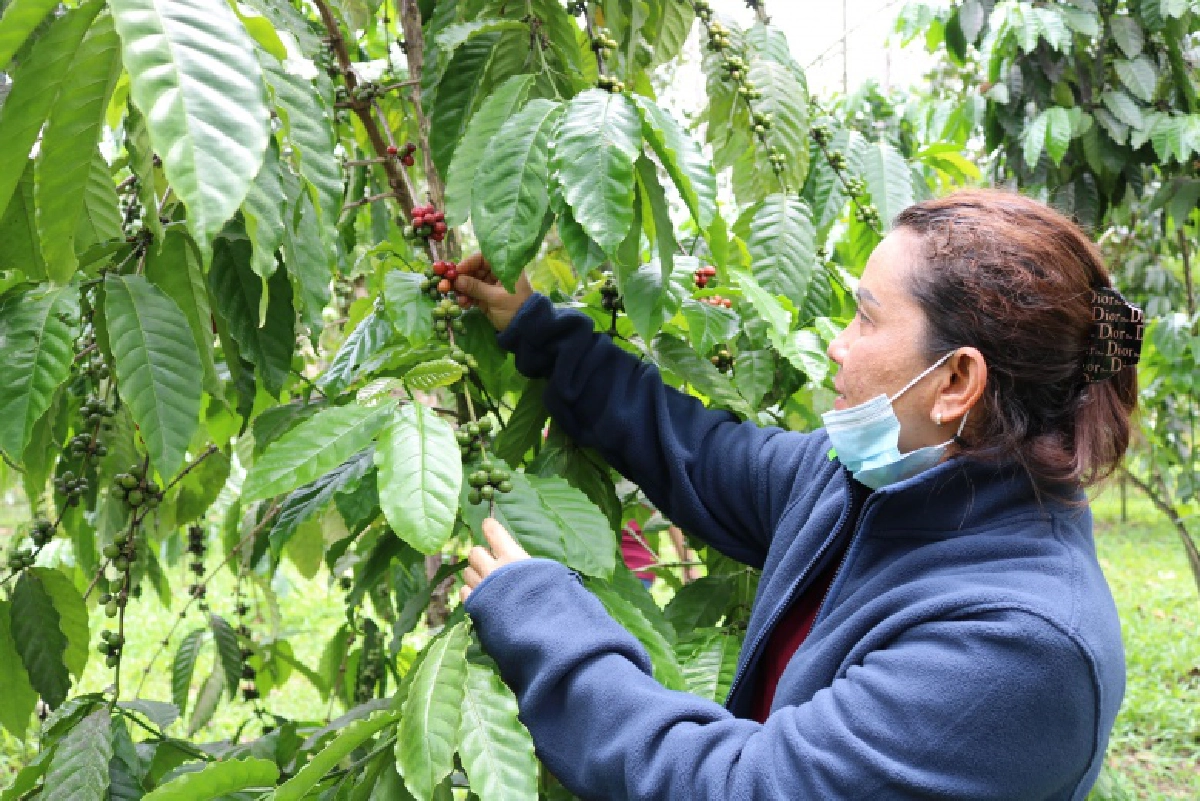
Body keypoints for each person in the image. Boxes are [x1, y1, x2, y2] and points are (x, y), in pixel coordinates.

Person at [454, 189, 1141, 800]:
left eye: (867, 319)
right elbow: (697, 453)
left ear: (956, 381)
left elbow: (743, 785)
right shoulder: (872, 480)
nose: (838, 346)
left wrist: (543, 620)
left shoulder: (1022, 646)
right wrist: (537, 329)